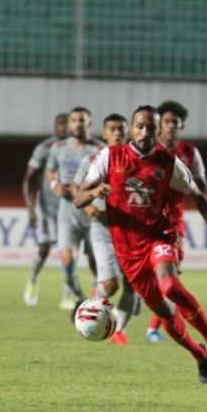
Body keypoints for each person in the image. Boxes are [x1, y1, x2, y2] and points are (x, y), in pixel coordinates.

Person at [75, 105, 207, 384]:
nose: (145, 131)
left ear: (158, 130)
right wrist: (93, 192)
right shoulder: (110, 157)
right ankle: (199, 356)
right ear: (132, 129)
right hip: (128, 251)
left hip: (159, 237)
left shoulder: (168, 162)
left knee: (170, 286)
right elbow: (78, 198)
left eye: (151, 127)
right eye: (140, 126)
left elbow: (197, 195)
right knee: (162, 311)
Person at [144, 100, 207, 344]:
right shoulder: (148, 149)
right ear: (159, 126)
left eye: (175, 123)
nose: (170, 127)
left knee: (171, 273)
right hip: (145, 217)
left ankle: (154, 327)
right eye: (166, 122)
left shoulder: (189, 152)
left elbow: (201, 182)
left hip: (173, 220)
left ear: (181, 126)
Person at [73, 113, 137, 345]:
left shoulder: (138, 161)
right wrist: (91, 199)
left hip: (132, 233)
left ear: (129, 132)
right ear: (104, 134)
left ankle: (118, 330)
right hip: (103, 232)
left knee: (132, 285)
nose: (118, 132)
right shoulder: (92, 160)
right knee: (110, 286)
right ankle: (90, 311)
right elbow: (77, 193)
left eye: (122, 128)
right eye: (113, 128)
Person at [46, 107, 103, 317]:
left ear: (89, 123)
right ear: (69, 124)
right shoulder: (59, 147)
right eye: (74, 120)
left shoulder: (100, 149)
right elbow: (50, 170)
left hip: (92, 214)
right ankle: (80, 298)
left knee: (95, 263)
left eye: (82, 120)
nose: (77, 124)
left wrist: (90, 201)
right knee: (67, 260)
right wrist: (54, 185)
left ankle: (97, 302)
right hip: (67, 213)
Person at [22, 113, 70, 306]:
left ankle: (68, 294)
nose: (64, 127)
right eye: (61, 124)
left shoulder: (79, 148)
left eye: (67, 123)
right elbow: (28, 179)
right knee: (44, 248)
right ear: (54, 126)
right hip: (46, 207)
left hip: (68, 206)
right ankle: (32, 280)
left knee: (68, 250)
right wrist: (31, 208)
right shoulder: (44, 148)